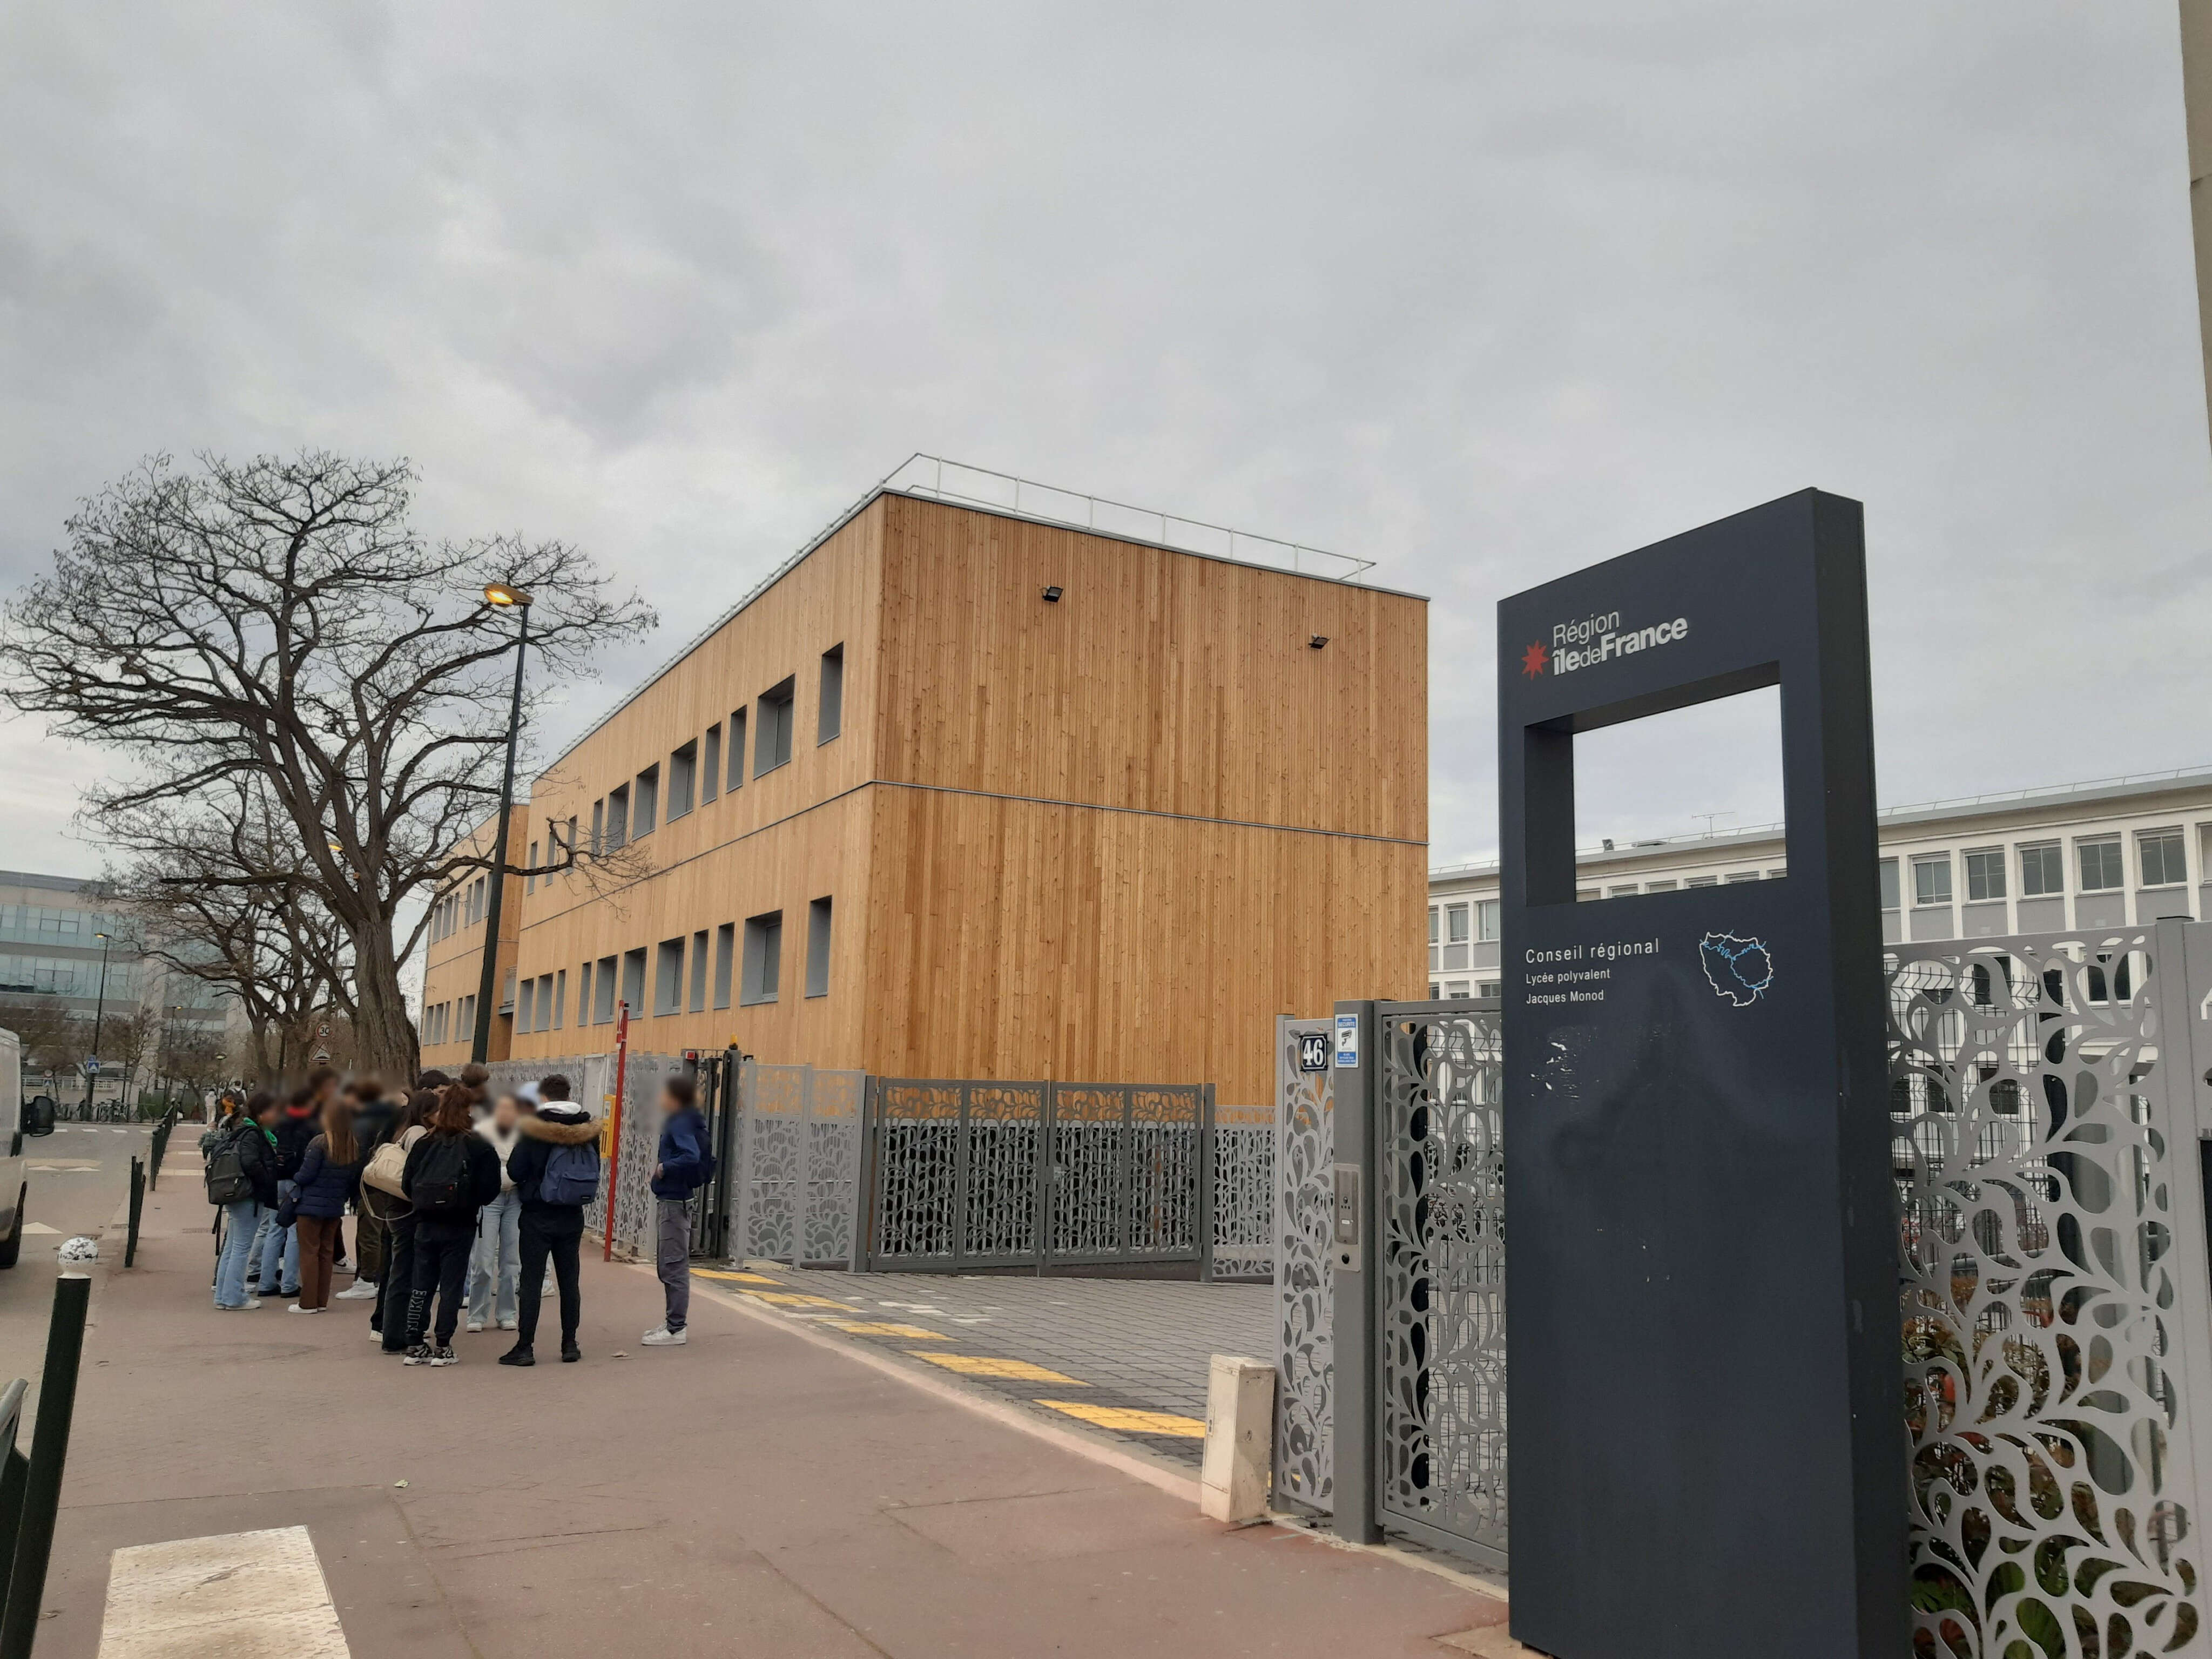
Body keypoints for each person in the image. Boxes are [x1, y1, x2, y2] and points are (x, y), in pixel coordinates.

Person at [399, 1084, 503, 1366]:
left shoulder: (424, 1143)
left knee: (421, 1284)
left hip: (425, 1222)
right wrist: (469, 1201)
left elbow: (407, 1183)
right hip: (460, 1222)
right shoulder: (478, 1143)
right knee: (452, 1286)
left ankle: (415, 1342)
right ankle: (443, 1345)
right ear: (470, 1109)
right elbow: (491, 1186)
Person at [500, 1081, 599, 1366]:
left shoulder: (533, 1127)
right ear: (569, 1095)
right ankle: (570, 1344)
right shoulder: (587, 1129)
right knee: (570, 1281)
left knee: (531, 1280)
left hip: (537, 1213)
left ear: (543, 1096)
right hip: (572, 1214)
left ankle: (525, 1347)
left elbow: (516, 1170)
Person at [643, 1075, 712, 1348]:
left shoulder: (679, 1122)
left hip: (674, 1202)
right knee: (671, 1263)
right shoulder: (685, 1120)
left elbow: (690, 1155)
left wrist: (664, 1168)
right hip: (677, 1200)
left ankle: (676, 1328)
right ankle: (673, 1322)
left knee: (673, 1265)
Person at [284, 1096, 362, 1313]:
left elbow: (305, 1176)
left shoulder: (319, 1143)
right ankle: (321, 1300)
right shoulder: (351, 1145)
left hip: (310, 1205)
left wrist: (296, 1175)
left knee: (309, 1252)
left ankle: (307, 1302)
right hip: (334, 1206)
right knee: (326, 1253)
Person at [373, 1089, 436, 1352]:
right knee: (406, 1272)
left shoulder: (401, 1130)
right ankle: (399, 1332)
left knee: (398, 1271)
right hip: (408, 1209)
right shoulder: (418, 1134)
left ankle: (390, 1330)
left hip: (394, 1208)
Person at [255, 1075, 328, 1298]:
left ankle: (266, 1282)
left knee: (275, 1230)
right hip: (298, 1181)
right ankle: (289, 1284)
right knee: (296, 1232)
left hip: (276, 1178)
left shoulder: (277, 1121)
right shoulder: (312, 1124)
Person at [212, 1093, 281, 1310]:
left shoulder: (242, 1130)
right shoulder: (254, 1135)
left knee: (233, 1247)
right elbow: (251, 1163)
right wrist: (267, 1180)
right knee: (241, 1247)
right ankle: (234, 1297)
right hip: (248, 1196)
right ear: (262, 1113)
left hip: (237, 1194)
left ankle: (223, 1296)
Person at [466, 1093, 524, 1333]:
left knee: (511, 1262)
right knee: (483, 1260)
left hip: (516, 1199)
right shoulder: (482, 1134)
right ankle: (477, 1314)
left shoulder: (523, 1135)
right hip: (489, 1200)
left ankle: (507, 1313)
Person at [337, 1078, 395, 1301]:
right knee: (379, 1232)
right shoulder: (384, 1118)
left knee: (369, 1232)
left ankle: (368, 1280)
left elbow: (357, 1157)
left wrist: (351, 1187)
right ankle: (375, 1276)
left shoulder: (362, 1122)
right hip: (381, 1181)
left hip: (368, 1183)